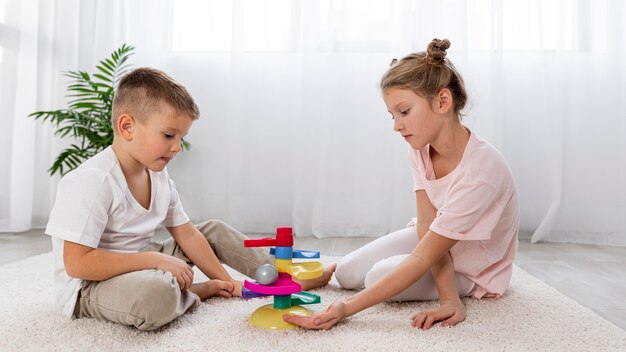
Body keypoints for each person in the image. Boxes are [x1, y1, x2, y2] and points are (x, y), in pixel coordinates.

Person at [46, 67, 334, 331]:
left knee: (212, 231)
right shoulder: (93, 181)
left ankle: (277, 277)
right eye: (169, 135)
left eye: (181, 137)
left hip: (147, 262)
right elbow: (77, 264)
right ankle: (196, 292)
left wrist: (227, 282)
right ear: (127, 127)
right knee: (154, 296)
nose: (177, 147)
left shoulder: (158, 176)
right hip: (92, 285)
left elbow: (185, 233)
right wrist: (155, 260)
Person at [284, 38, 519, 330]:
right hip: (436, 237)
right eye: (392, 115)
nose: (396, 125)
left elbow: (424, 255)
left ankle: (463, 288)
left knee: (376, 278)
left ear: (442, 101)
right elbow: (426, 224)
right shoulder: (419, 148)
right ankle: (336, 270)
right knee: (346, 273)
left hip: (473, 266)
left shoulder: (481, 173)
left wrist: (449, 300)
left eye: (404, 112)